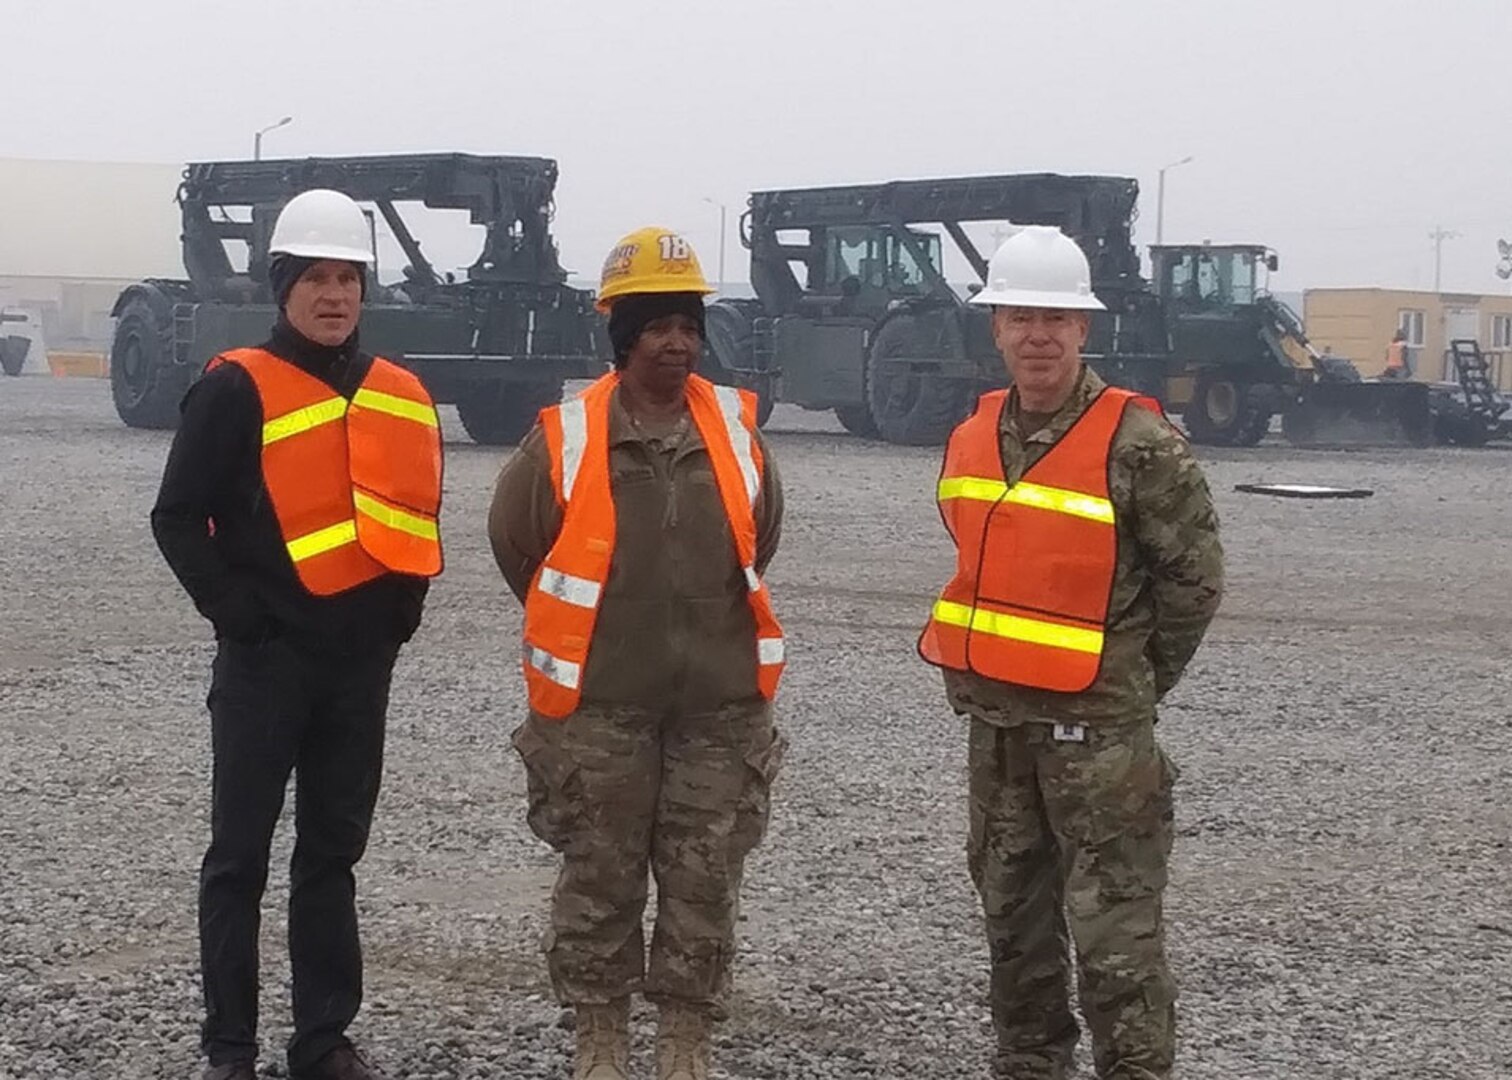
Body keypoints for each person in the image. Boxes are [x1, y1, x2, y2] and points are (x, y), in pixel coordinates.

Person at [917, 226, 1224, 1080]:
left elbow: (1193, 584)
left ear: (1085, 330)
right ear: (997, 329)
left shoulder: (1139, 444)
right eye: (1022, 317)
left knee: (1117, 942)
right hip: (1001, 731)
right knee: (1014, 932)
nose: (1039, 335)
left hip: (1100, 740)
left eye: (1056, 318)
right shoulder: (974, 435)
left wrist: (1129, 683)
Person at [151, 188, 444, 1080]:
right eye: (314, 277)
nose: (333, 294)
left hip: (357, 669)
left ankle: (323, 1038)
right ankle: (228, 1048)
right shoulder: (235, 386)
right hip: (265, 666)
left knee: (331, 857)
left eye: (348, 277)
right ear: (282, 287)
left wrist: (400, 616)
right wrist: (238, 618)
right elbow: (175, 517)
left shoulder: (397, 392)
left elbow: (414, 514)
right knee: (238, 857)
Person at [488, 226, 786, 1080]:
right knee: (600, 876)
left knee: (703, 880)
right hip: (600, 707)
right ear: (622, 335)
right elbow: (520, 546)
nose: (676, 342)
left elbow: (758, 541)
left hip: (719, 710)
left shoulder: (736, 434)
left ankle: (685, 1039)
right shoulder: (565, 440)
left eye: (687, 324)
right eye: (657, 325)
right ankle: (602, 1037)